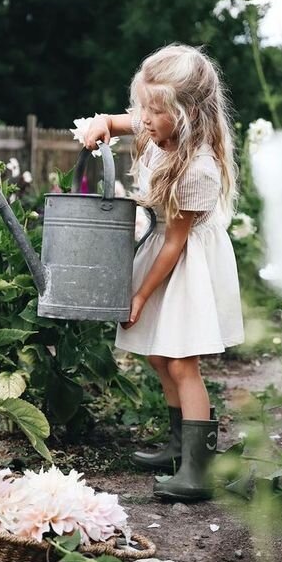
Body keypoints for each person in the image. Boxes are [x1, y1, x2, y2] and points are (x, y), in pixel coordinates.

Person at [84, 44, 244, 502]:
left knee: (180, 359)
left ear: (188, 112)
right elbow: (124, 122)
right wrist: (104, 124)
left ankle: (199, 468)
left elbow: (176, 242)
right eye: (144, 107)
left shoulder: (197, 167)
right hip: (164, 253)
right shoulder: (159, 130)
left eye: (156, 110)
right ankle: (178, 446)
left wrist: (138, 296)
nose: (145, 118)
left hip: (185, 262)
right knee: (157, 353)